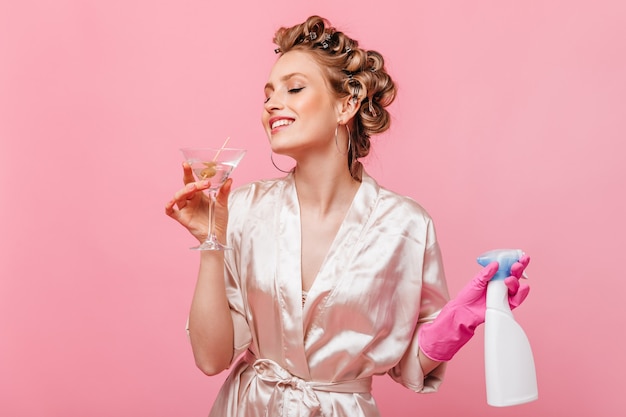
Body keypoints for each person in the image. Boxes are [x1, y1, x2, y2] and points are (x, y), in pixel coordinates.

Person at [165, 15, 530, 417]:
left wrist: (455, 323)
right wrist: (210, 241)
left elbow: (409, 364)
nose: (271, 103)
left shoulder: (405, 226)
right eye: (267, 93)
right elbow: (211, 359)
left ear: (347, 104)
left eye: (295, 88)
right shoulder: (245, 209)